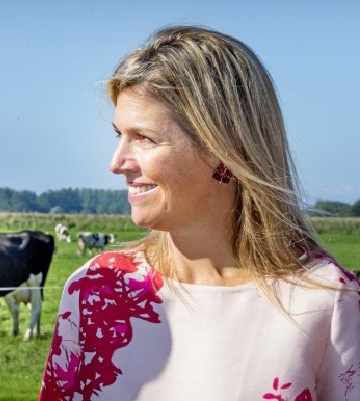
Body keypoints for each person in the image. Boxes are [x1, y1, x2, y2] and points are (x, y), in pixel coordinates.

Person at [39, 26, 360, 400]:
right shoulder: (95, 289)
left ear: (225, 146)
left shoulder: (325, 302)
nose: (117, 163)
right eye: (119, 135)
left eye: (144, 138)